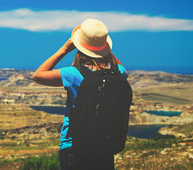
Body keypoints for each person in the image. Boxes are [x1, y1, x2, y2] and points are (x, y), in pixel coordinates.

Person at [32, 19, 128, 170]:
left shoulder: (73, 74)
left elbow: (38, 75)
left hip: (74, 145)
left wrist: (64, 49)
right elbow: (124, 70)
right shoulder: (119, 72)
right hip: (105, 143)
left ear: (78, 46)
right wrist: (105, 49)